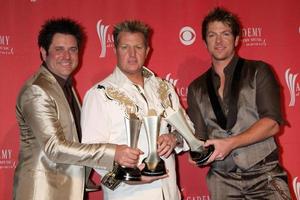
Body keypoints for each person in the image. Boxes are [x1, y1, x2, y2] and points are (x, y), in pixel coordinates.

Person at [13, 18, 140, 200]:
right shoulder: (37, 90)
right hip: (42, 193)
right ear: (43, 52)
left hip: (68, 189)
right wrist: (114, 152)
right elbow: (54, 148)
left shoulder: (64, 85)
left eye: (72, 49)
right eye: (59, 50)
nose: (67, 56)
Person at [187, 7, 291, 200]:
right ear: (204, 42)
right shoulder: (196, 87)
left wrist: (230, 143)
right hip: (221, 181)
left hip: (264, 176)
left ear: (236, 39)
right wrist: (193, 150)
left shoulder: (259, 71)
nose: (219, 41)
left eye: (225, 34)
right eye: (212, 35)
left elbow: (272, 123)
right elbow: (199, 135)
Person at [81, 20, 189, 200]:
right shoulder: (99, 94)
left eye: (138, 47)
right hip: (128, 195)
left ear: (147, 51)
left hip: (169, 194)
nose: (132, 54)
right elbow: (92, 154)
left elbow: (189, 130)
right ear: (115, 50)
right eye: (125, 47)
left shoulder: (164, 88)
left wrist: (175, 138)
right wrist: (129, 177)